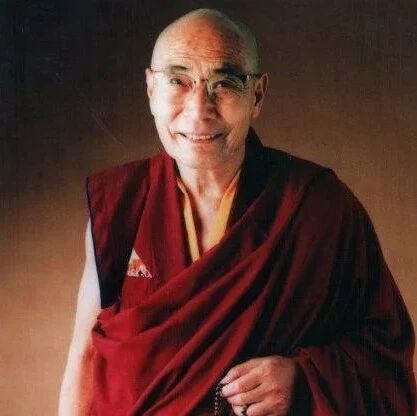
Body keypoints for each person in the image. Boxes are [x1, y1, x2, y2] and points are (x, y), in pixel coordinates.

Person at [59, 8, 416, 416]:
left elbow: (386, 356)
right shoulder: (120, 202)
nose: (199, 109)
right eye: (178, 81)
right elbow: (85, 358)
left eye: (224, 84)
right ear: (151, 90)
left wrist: (304, 380)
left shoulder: (319, 205)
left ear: (257, 96)